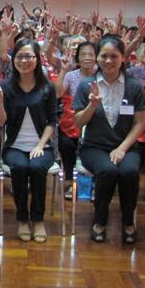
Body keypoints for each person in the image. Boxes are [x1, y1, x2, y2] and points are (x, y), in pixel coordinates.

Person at [73, 35, 145, 244]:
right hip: (94, 147)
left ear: (123, 58)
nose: (108, 61)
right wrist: (92, 106)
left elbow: (140, 123)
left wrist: (122, 148)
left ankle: (128, 222)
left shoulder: (134, 86)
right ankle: (100, 221)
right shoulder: (86, 85)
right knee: (107, 171)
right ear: (97, 58)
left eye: (114, 56)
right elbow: (78, 122)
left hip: (127, 147)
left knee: (129, 172)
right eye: (104, 56)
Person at [0, 39, 57, 243]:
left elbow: (52, 121)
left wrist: (40, 145)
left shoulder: (47, 87)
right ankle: (22, 219)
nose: (24, 60)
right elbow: (1, 122)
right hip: (14, 146)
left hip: (42, 145)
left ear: (37, 59)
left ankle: (37, 220)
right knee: (20, 167)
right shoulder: (6, 86)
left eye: (29, 56)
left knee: (37, 168)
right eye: (19, 56)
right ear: (13, 60)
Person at [55, 41, 97, 199]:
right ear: (77, 58)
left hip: (95, 119)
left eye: (91, 54)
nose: (87, 58)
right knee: (65, 143)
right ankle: (69, 180)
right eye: (83, 54)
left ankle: (94, 184)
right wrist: (63, 70)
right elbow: (58, 93)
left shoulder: (101, 75)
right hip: (72, 120)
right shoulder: (71, 75)